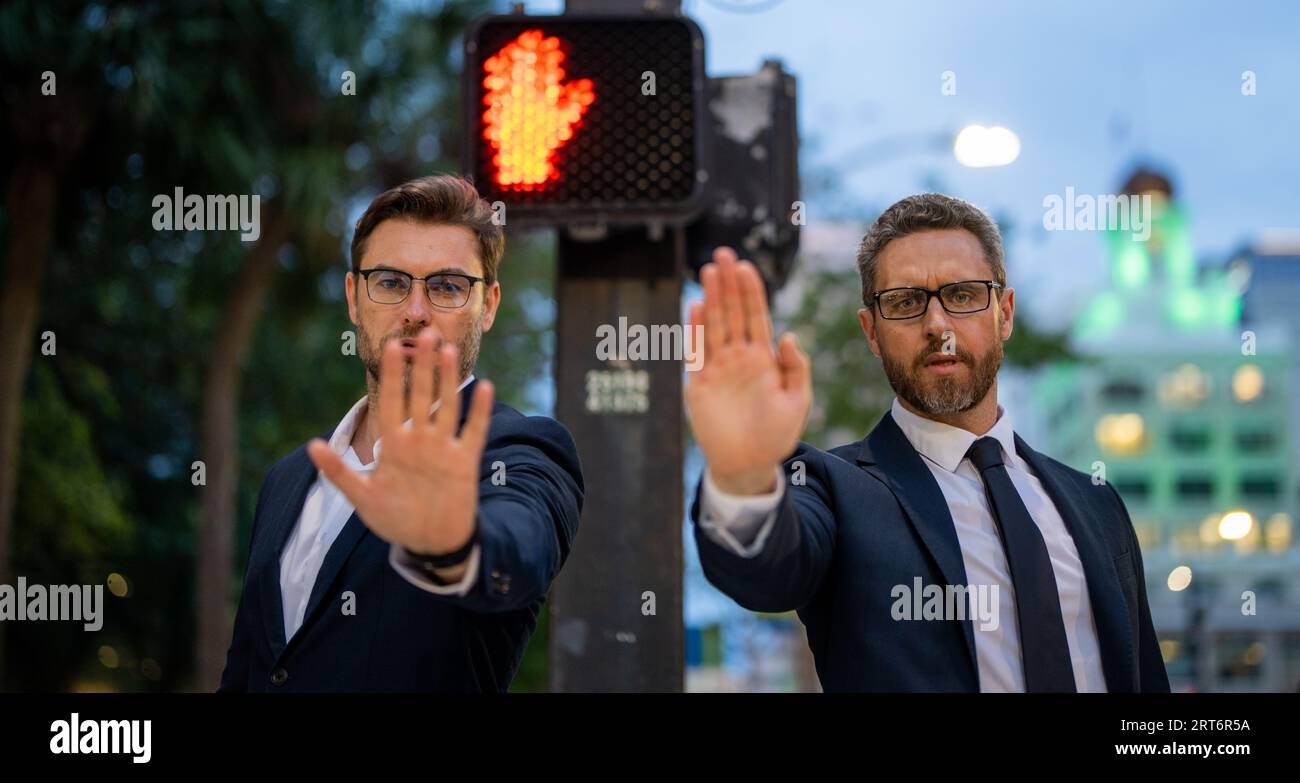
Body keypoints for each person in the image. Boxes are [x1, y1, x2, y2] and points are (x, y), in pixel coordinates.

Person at [686, 193, 1169, 692]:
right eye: (905, 302)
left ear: (1004, 313)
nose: (937, 325)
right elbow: (766, 572)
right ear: (871, 332)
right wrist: (742, 476)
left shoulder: (1095, 502)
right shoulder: (832, 487)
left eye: (962, 295)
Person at [219, 174, 583, 692]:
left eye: (448, 287)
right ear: (353, 297)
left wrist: (455, 544)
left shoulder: (521, 451)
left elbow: (520, 549)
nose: (415, 312)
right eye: (390, 282)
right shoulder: (289, 477)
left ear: (490, 306)